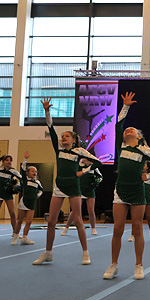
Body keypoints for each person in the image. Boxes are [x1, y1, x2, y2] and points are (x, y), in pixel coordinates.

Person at [32, 97, 102, 266]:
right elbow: (51, 127)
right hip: (59, 185)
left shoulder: (79, 152)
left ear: (73, 140)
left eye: (67, 136)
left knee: (78, 220)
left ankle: (85, 253)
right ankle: (48, 253)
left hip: (73, 187)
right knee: (51, 221)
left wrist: (84, 169)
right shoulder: (58, 149)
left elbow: (98, 162)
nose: (63, 138)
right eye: (62, 136)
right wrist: (47, 111)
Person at [104, 92, 150, 280]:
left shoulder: (144, 150)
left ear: (139, 137)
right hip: (121, 190)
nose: (128, 130)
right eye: (127, 130)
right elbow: (118, 125)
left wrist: (148, 175)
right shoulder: (121, 147)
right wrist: (126, 106)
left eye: (132, 130)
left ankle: (139, 265)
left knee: (137, 228)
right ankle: (113, 264)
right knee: (117, 229)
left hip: (138, 192)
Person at [62, 159, 102, 236]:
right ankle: (66, 227)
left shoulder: (94, 167)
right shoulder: (78, 166)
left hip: (90, 190)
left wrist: (96, 181)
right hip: (80, 190)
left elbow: (100, 177)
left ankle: (93, 228)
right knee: (74, 210)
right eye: (84, 158)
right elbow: (74, 176)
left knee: (91, 210)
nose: (85, 160)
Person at [16, 153, 43, 246]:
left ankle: (24, 237)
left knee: (29, 221)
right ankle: (15, 236)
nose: (34, 173)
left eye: (36, 172)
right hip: (23, 202)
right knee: (20, 221)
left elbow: (41, 190)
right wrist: (25, 159)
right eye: (32, 171)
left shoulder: (37, 182)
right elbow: (23, 169)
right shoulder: (25, 179)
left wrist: (38, 195)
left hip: (32, 203)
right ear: (28, 173)